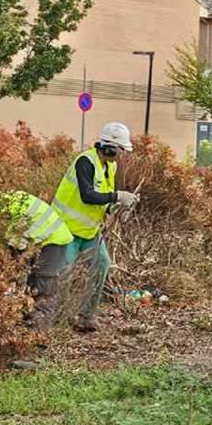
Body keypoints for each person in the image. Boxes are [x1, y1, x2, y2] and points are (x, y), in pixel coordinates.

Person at [51, 121, 140, 331]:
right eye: (120, 149)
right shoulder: (85, 162)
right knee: (62, 273)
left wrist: (115, 207)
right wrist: (117, 195)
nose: (121, 154)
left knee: (102, 264)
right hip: (66, 230)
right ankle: (56, 319)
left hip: (89, 231)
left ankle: (87, 316)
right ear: (109, 146)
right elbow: (87, 195)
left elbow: (102, 199)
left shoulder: (110, 166)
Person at [0, 186, 74, 328]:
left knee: (43, 289)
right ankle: (25, 332)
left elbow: (15, 247)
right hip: (39, 239)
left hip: (53, 238)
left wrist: (7, 275)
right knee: (31, 286)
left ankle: (38, 339)